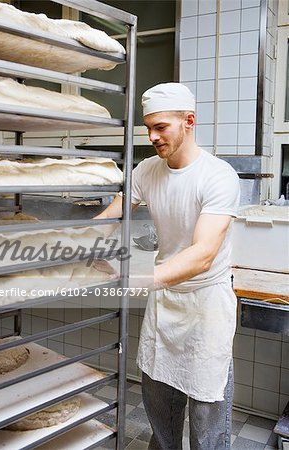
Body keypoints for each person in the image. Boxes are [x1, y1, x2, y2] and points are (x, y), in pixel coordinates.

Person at [95, 82, 240, 450]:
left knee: (207, 424)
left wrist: (139, 280)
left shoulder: (218, 175)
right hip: (164, 302)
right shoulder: (147, 170)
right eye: (148, 127)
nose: (152, 136)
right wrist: (78, 242)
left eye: (161, 127)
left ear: (188, 121)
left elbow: (203, 253)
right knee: (160, 414)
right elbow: (116, 213)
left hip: (206, 305)